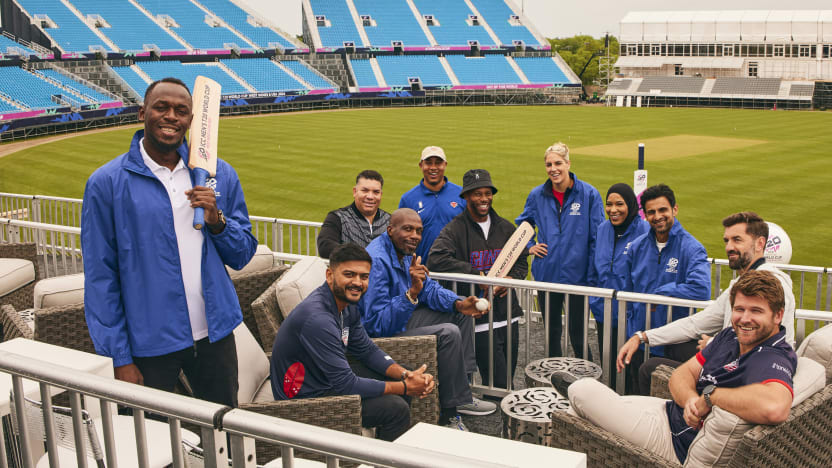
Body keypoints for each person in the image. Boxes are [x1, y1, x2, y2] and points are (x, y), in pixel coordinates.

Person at [81, 77, 257, 407]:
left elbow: (243, 254)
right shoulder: (106, 183)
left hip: (214, 335)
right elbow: (101, 277)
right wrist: (119, 356)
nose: (171, 116)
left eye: (181, 110)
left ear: (192, 120)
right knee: (154, 440)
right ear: (142, 112)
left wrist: (217, 221)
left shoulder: (219, 174)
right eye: (161, 107)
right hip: (148, 344)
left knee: (222, 431)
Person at [552, 270, 796, 465]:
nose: (744, 318)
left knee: (583, 392)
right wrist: (691, 400)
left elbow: (775, 407)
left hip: (673, 442)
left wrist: (710, 397)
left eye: (756, 311)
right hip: (669, 412)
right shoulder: (730, 336)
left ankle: (573, 387)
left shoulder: (771, 356)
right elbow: (682, 374)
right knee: (577, 412)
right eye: (739, 309)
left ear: (777, 315)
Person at [617, 211, 795, 394]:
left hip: (742, 375)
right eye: (727, 241)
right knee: (674, 347)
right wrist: (643, 337)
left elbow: (774, 344)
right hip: (731, 361)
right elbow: (696, 323)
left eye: (737, 240)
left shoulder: (773, 285)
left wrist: (713, 346)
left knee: (649, 368)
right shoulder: (741, 285)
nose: (729, 247)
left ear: (760, 244)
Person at [270, 243, 435, 441]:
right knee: (395, 408)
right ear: (330, 275)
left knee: (401, 375)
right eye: (349, 274)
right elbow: (346, 385)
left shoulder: (346, 304)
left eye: (363, 276)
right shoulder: (318, 319)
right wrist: (406, 387)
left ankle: (385, 447)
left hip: (323, 377)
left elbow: (366, 350)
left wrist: (406, 375)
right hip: (303, 400)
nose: (357, 282)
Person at [359, 208, 497, 430]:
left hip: (401, 317)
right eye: (408, 229)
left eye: (419, 231)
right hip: (381, 337)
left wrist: (459, 304)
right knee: (448, 332)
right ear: (390, 230)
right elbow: (377, 325)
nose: (415, 236)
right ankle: (450, 415)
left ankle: (462, 393)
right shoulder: (377, 260)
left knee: (459, 313)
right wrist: (411, 294)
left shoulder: (402, 251)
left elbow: (428, 288)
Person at [427, 169, 528, 391]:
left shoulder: (505, 227)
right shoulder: (455, 229)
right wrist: (475, 276)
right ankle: (498, 421)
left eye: (487, 193)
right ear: (465, 197)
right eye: (477, 194)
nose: (483, 199)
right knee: (497, 382)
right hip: (480, 318)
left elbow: (521, 262)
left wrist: (509, 279)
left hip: (508, 313)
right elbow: (435, 259)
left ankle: (503, 421)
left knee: (507, 380)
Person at [515, 142, 604, 358]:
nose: (553, 169)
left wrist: (591, 273)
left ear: (568, 164)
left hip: (578, 277)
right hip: (548, 274)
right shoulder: (537, 195)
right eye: (548, 164)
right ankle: (554, 379)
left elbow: (598, 237)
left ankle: (587, 379)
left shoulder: (588, 194)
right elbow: (522, 223)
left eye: (558, 163)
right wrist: (529, 247)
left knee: (578, 333)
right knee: (551, 332)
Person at [622, 184, 710, 395]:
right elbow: (628, 292)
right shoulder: (637, 247)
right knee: (635, 397)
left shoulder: (691, 248)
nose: (657, 216)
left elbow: (701, 290)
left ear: (674, 210)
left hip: (672, 343)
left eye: (663, 210)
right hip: (639, 340)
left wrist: (663, 292)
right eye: (651, 212)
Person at [587, 183, 649, 377]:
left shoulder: (644, 229)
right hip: (604, 311)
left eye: (619, 204)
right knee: (609, 365)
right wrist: (595, 300)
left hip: (632, 316)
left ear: (630, 205)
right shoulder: (603, 228)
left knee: (631, 369)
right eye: (609, 204)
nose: (613, 210)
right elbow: (594, 268)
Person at [398, 146, 465, 264]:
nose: (433, 168)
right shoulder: (408, 199)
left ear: (445, 165)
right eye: (428, 163)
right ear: (421, 165)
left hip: (456, 270)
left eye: (438, 163)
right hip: (422, 271)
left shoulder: (461, 194)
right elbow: (400, 239)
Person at [317, 170, 390, 258]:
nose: (370, 196)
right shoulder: (338, 217)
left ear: (381, 195)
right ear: (355, 192)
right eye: (365, 190)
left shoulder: (390, 220)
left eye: (376, 192)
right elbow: (325, 246)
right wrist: (361, 256)